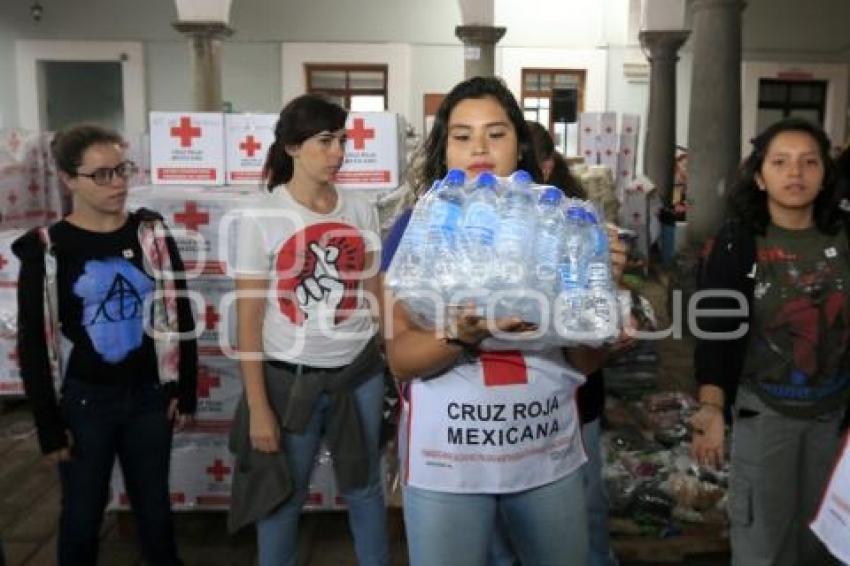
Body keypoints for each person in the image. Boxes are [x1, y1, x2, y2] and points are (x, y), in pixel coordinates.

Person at [380, 76, 627, 566]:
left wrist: (600, 289)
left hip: (543, 448)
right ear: (443, 148)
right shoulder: (415, 229)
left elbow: (586, 361)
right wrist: (459, 335)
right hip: (447, 455)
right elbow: (402, 360)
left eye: (496, 133)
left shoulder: (566, 226)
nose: (479, 147)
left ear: (519, 144)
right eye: (462, 134)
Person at [13, 124, 197, 565]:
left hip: (150, 400)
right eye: (101, 175)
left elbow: (178, 311)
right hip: (86, 404)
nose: (117, 183)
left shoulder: (150, 236)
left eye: (122, 170)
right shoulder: (49, 250)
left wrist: (183, 387)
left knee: (155, 512)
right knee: (82, 515)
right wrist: (48, 424)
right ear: (68, 179)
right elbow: (34, 344)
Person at [230, 94, 389, 566]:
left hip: (358, 374)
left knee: (365, 489)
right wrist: (259, 408)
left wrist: (398, 357)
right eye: (325, 141)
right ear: (293, 147)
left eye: (342, 140)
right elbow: (249, 320)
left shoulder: (361, 209)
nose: (338, 152)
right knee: (283, 496)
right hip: (290, 379)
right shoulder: (262, 216)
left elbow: (376, 292)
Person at [691, 117, 849, 565]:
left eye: (808, 162)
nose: (795, 173)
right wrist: (711, 408)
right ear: (760, 176)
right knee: (763, 545)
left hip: (834, 423)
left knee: (826, 543)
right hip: (765, 417)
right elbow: (716, 333)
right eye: (780, 162)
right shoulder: (738, 242)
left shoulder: (845, 235)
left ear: (825, 174)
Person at [528, 119, 619, 566]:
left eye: (527, 164)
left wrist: (609, 282)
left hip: (577, 394)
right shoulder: (492, 228)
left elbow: (598, 326)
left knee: (586, 502)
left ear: (546, 165)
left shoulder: (581, 222)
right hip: (520, 405)